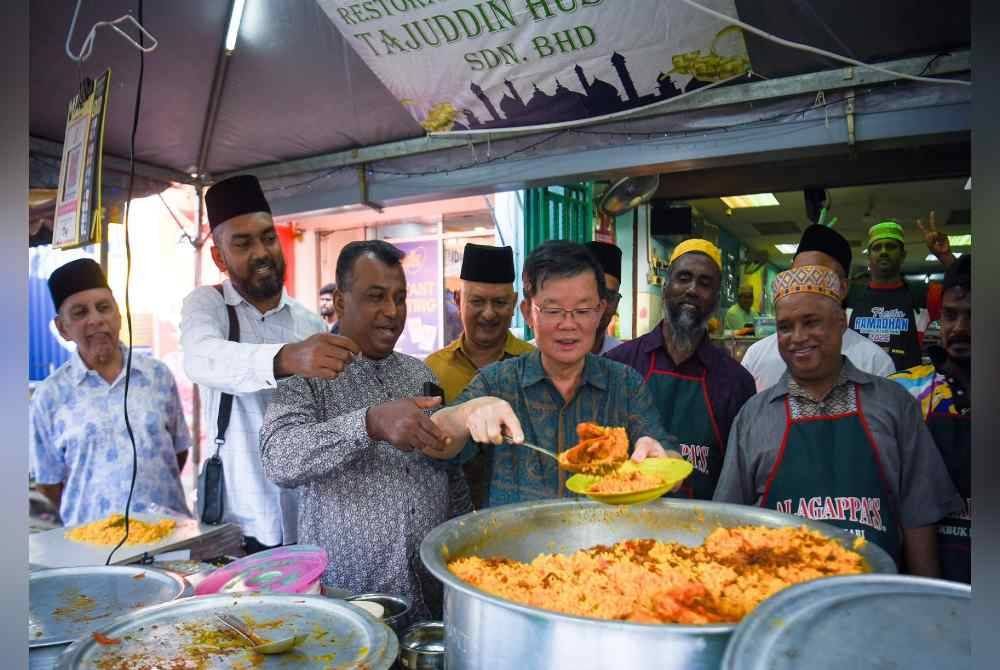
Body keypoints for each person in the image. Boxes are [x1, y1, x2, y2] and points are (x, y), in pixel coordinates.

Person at [259, 240, 469, 619]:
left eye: (400, 298)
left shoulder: (419, 373)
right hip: (348, 598)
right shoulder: (308, 372)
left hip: (430, 595)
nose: (392, 311)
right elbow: (278, 458)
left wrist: (462, 545)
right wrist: (368, 423)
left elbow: (446, 466)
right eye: (376, 297)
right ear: (341, 302)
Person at [714, 264, 962, 575]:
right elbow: (728, 522)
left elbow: (919, 516)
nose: (798, 337)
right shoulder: (754, 416)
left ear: (841, 323)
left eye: (811, 322)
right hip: (777, 593)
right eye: (785, 327)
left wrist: (924, 598)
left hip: (873, 590)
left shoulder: (894, 404)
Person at [181, 175, 358, 554]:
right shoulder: (209, 305)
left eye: (267, 238)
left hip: (302, 513)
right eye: (243, 243)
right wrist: (289, 357)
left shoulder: (308, 323)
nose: (261, 252)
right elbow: (200, 358)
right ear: (219, 257)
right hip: (238, 518)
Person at [430, 240, 678, 507]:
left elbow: (669, 458)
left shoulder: (626, 384)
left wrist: (661, 461)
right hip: (513, 533)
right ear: (528, 313)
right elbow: (436, 441)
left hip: (606, 531)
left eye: (582, 310)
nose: (568, 324)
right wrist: (467, 413)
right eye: (553, 310)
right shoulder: (497, 382)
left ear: (600, 312)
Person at [30, 259, 190, 526]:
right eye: (80, 313)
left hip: (168, 534)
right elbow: (49, 483)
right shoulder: (49, 396)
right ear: (62, 328)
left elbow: (177, 452)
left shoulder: (157, 375)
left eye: (103, 307)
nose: (95, 319)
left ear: (118, 314)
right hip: (90, 541)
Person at [606, 239, 755, 500]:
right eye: (683, 278)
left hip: (703, 521)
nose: (692, 290)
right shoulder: (619, 363)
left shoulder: (736, 382)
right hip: (624, 516)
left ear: (716, 299)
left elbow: (739, 479)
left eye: (705, 283)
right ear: (666, 286)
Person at [424, 243, 533, 509]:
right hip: (450, 513)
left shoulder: (534, 363)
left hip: (519, 513)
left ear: (514, 303)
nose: (488, 313)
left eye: (500, 302)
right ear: (457, 300)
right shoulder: (432, 369)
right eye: (477, 301)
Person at [891, 255, 971, 583]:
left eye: (975, 316)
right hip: (923, 567)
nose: (960, 328)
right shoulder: (905, 391)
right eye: (950, 315)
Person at [741, 224, 895, 391]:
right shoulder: (756, 357)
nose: (804, 286)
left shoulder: (874, 362)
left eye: (816, 277)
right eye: (798, 276)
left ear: (842, 288)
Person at [847, 214, 956, 370]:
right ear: (869, 257)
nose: (883, 252)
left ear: (903, 255)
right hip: (858, 384)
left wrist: (946, 257)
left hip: (906, 384)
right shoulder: (849, 296)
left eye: (891, 246)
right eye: (877, 248)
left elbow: (970, 295)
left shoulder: (924, 295)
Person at [585, 241, 624, 353]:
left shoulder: (623, 356)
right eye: (593, 293)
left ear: (616, 303)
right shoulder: (544, 353)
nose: (600, 304)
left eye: (609, 296)